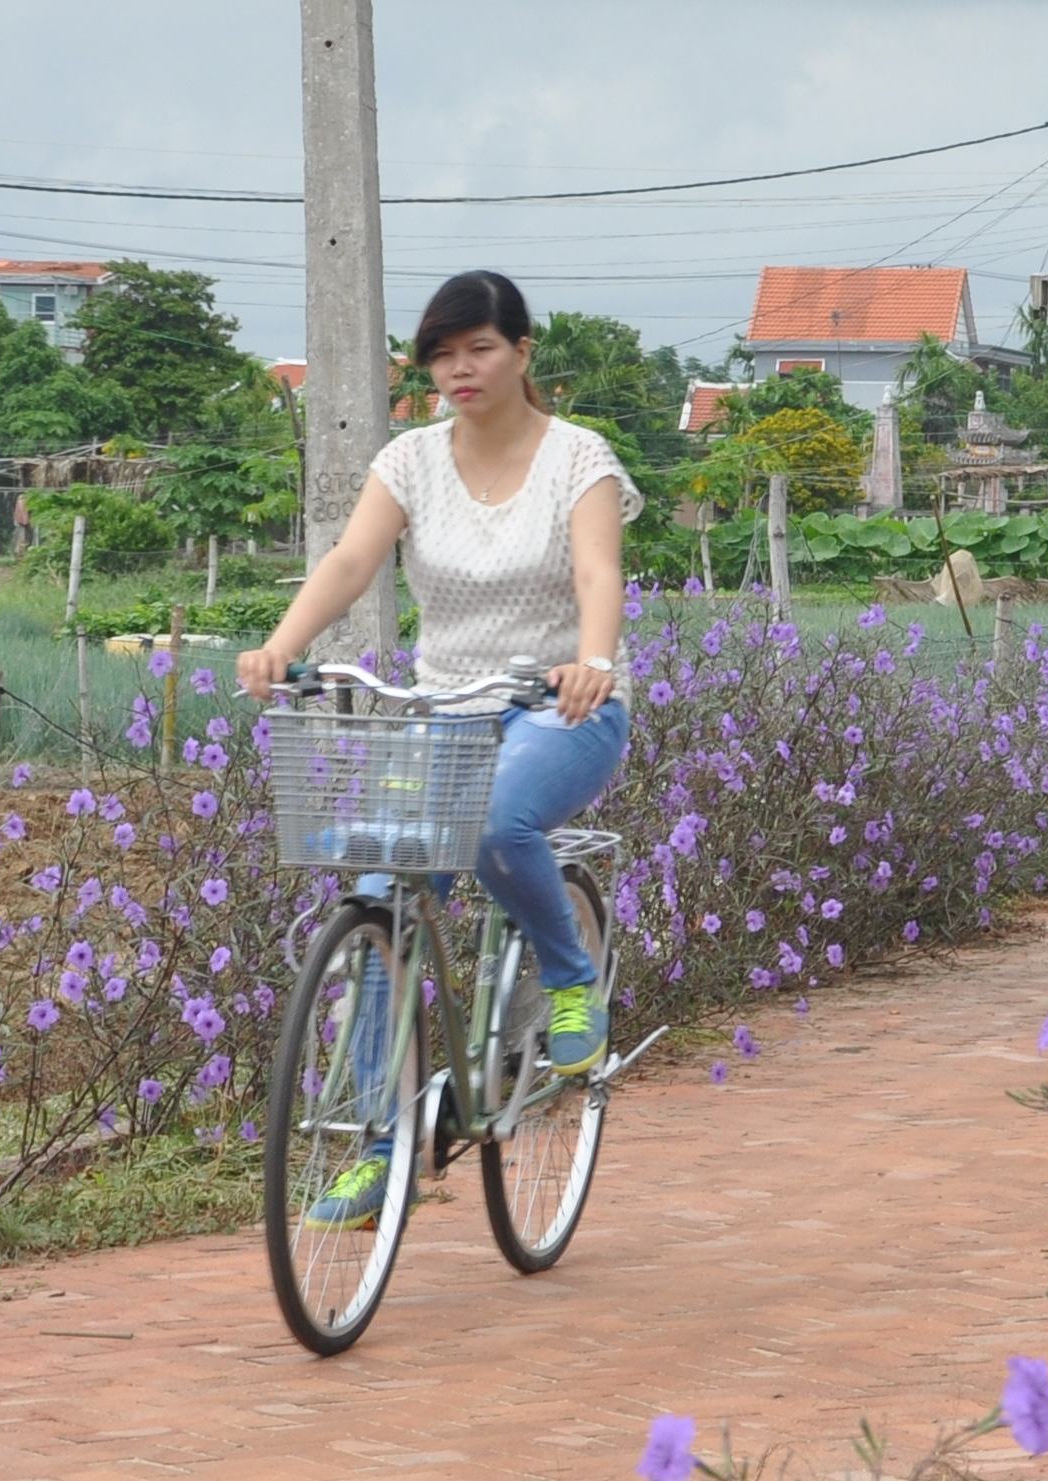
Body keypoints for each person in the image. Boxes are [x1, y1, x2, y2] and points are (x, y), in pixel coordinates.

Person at [238, 270, 641, 1228]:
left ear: (522, 353)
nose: (460, 370)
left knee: (502, 821)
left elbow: (597, 568)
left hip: (561, 707)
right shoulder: (411, 461)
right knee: (380, 898)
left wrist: (593, 659)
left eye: (480, 349)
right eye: (442, 356)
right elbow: (347, 561)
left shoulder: (577, 458)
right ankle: (385, 1148)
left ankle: (572, 978)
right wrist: (281, 647)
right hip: (448, 710)